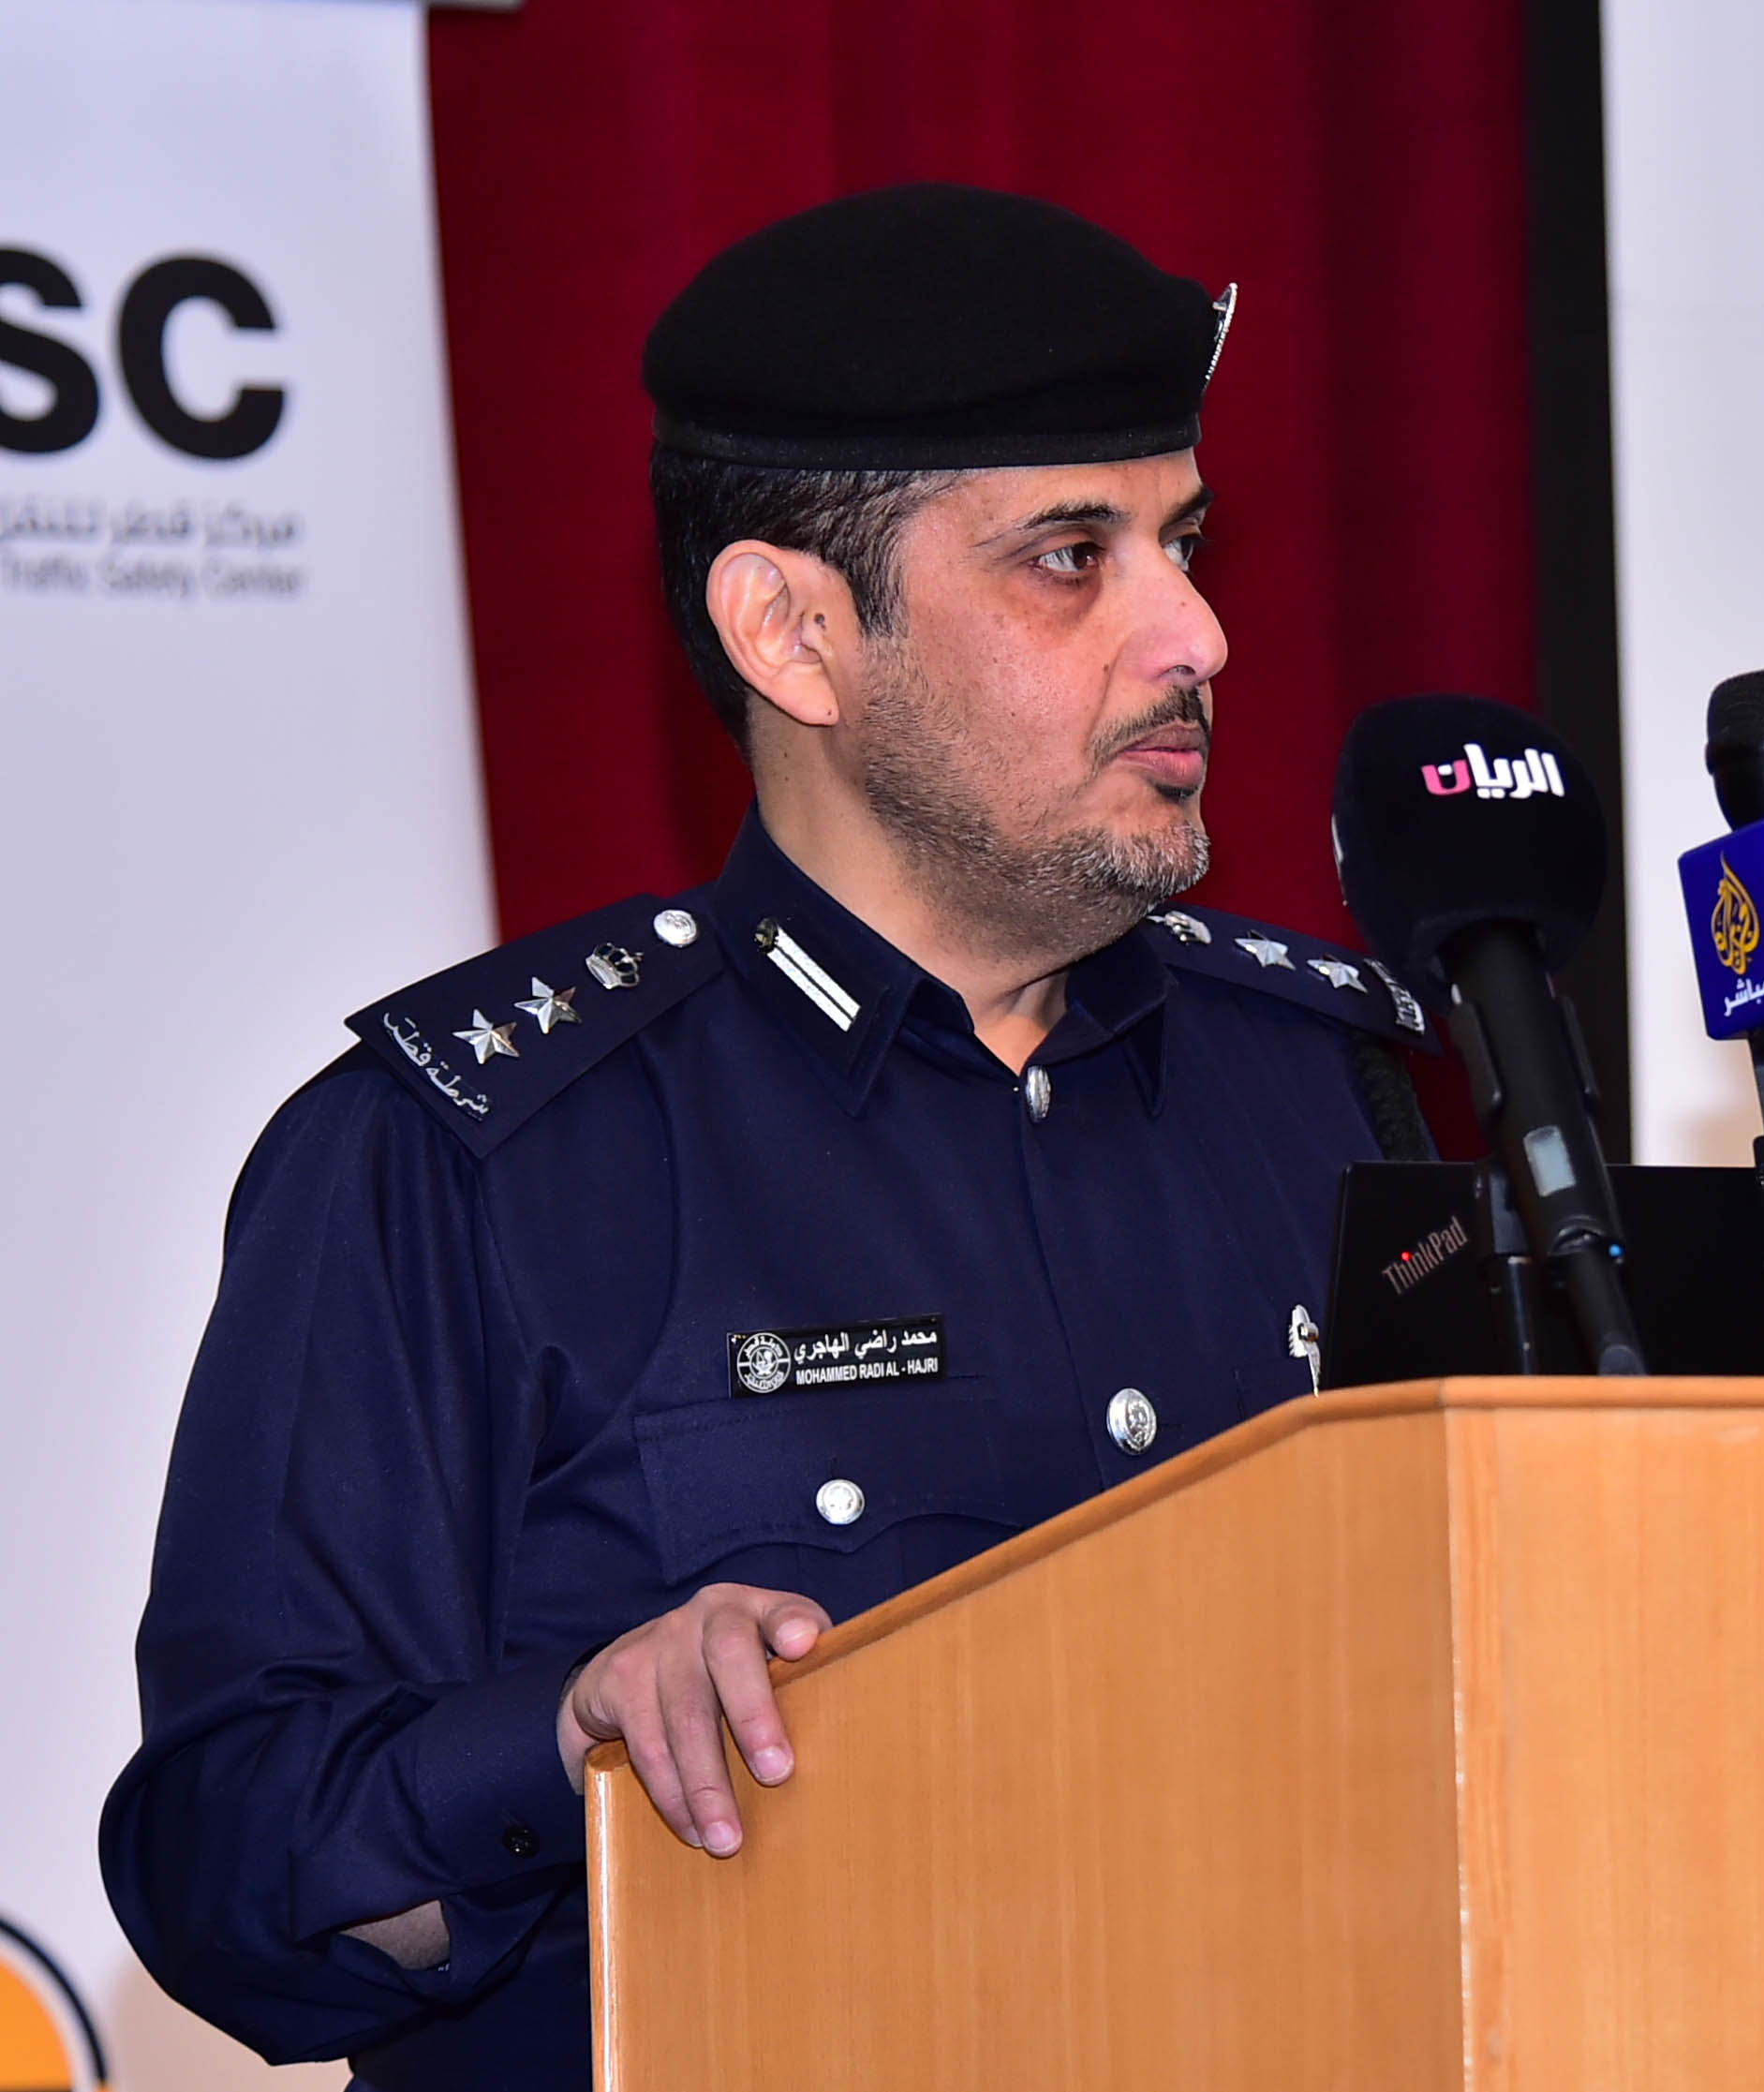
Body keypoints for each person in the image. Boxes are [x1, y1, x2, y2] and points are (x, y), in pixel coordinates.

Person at [99, 184, 1431, 2091]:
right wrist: (561, 1736)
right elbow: (226, 1864)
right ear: (793, 633)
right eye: (1073, 556)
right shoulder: (465, 1153)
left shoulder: (1325, 1086)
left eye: (1183, 542)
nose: (1197, 633)